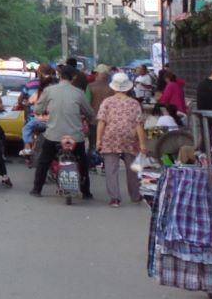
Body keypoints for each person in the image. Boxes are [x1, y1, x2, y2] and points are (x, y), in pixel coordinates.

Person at [29, 68, 94, 199]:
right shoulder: (79, 93)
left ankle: (37, 189)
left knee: (44, 161)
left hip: (53, 135)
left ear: (60, 76)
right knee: (82, 162)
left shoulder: (49, 90)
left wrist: (46, 111)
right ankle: (86, 192)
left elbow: (37, 109)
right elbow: (89, 112)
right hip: (75, 137)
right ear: (73, 78)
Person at [95, 72, 146, 207]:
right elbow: (138, 125)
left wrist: (98, 140)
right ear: (128, 88)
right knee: (132, 168)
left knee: (111, 168)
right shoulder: (134, 103)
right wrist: (142, 144)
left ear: (113, 87)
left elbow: (101, 122)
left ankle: (115, 198)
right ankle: (135, 195)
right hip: (129, 138)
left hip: (110, 136)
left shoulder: (107, 102)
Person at [20, 63, 58, 158]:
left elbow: (27, 102)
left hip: (37, 120)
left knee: (26, 128)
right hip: (55, 120)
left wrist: (25, 104)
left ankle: (27, 147)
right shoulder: (57, 86)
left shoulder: (36, 90)